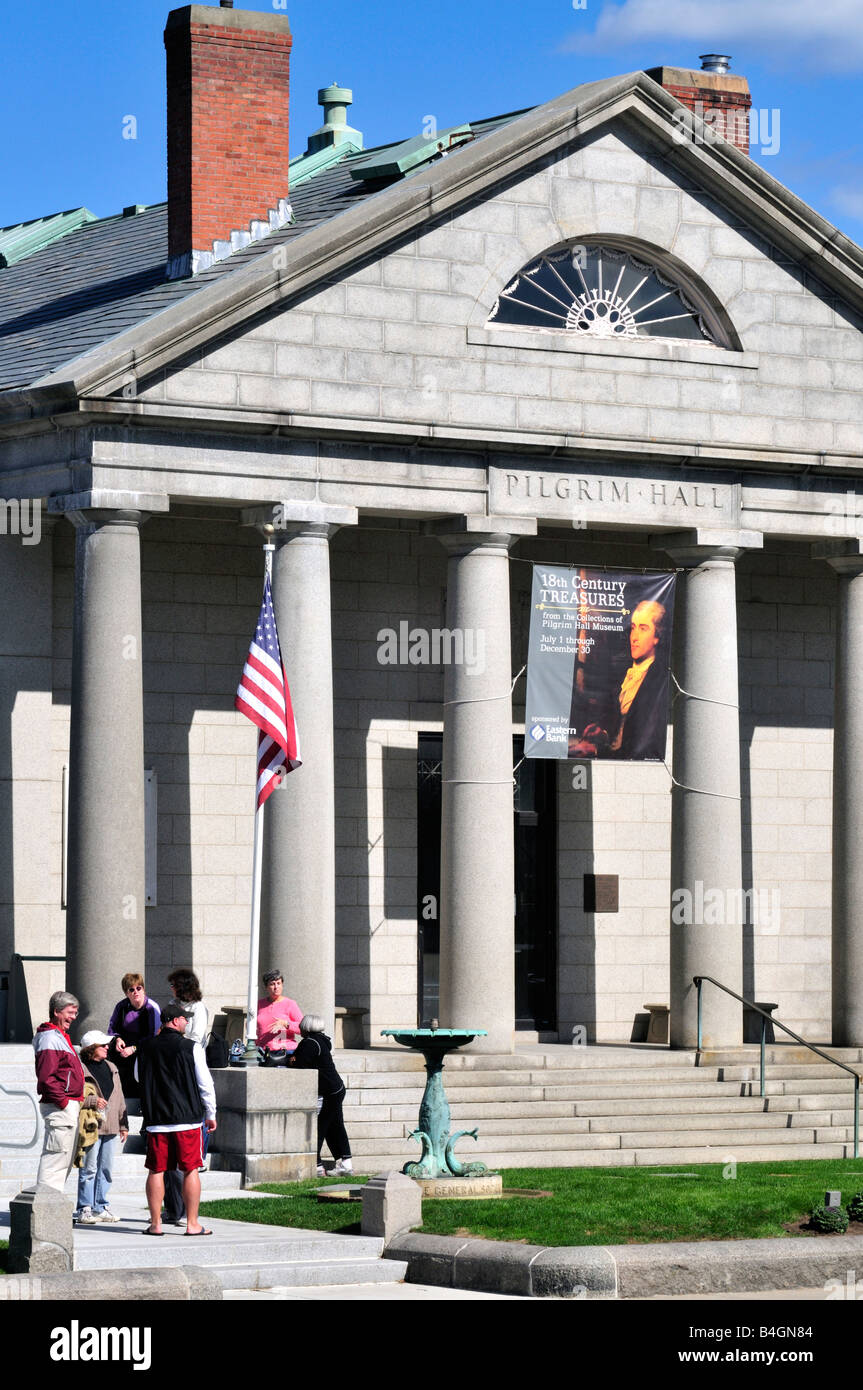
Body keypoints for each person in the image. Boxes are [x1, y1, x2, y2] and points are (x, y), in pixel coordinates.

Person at [135, 1001, 217, 1237]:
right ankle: (192, 1224)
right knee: (190, 1169)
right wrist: (211, 1113)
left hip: (157, 1118)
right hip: (187, 1119)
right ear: (173, 1021)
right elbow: (205, 1084)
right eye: (183, 1018)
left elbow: (139, 1076)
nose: (187, 1021)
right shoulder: (191, 1047)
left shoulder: (145, 1046)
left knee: (156, 1170)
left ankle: (155, 1223)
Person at [570, 600, 669, 761]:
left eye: (643, 629)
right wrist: (603, 733)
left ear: (657, 636)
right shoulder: (625, 673)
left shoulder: (659, 681)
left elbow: (640, 742)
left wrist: (596, 750)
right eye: (633, 628)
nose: (634, 637)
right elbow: (620, 723)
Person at [163, 969, 210, 1225]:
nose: (170, 989)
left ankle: (184, 1213)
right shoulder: (171, 1005)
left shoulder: (198, 1008)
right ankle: (172, 1208)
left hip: (187, 1062)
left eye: (173, 985)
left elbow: (196, 1036)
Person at [33, 990, 86, 1194]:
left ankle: (52, 1205)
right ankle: (45, 1207)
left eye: (75, 1013)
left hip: (66, 1105)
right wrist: (63, 1102)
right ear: (56, 1011)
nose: (73, 1017)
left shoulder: (58, 1036)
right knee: (55, 1157)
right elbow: (47, 1078)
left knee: (63, 1157)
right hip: (60, 1106)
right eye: (70, 1012)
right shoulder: (49, 1037)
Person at [74, 1030, 128, 1225]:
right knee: (89, 1168)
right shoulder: (80, 1068)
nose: (107, 1047)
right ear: (91, 1049)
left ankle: (101, 1206)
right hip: (91, 1127)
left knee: (106, 1169)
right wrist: (92, 1101)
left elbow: (120, 1096)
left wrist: (124, 1124)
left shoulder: (112, 1066)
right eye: (102, 1045)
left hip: (112, 1125)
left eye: (107, 1045)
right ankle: (84, 1209)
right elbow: (73, 1095)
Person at [289, 1014, 353, 1178]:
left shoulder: (310, 1043)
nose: (300, 1029)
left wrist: (291, 1060)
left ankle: (317, 1165)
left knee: (321, 1127)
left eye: (302, 1027)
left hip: (330, 1091)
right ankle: (345, 1163)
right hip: (336, 1089)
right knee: (335, 1125)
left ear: (306, 1028)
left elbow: (300, 1064)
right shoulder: (322, 1040)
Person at [106, 973, 161, 1098]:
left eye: (139, 988)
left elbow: (154, 1036)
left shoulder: (152, 1008)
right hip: (124, 1049)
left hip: (145, 1049)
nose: (135, 992)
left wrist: (134, 1048)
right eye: (131, 989)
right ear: (126, 993)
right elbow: (112, 1028)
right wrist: (118, 1039)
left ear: (143, 989)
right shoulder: (121, 1006)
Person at [256, 969, 302, 1061]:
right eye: (272, 984)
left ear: (282, 985)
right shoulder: (259, 1004)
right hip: (262, 1051)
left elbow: (303, 1028)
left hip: (285, 1052)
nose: (276, 987)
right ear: (266, 987)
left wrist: (286, 1024)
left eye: (278, 983)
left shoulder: (290, 1004)